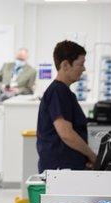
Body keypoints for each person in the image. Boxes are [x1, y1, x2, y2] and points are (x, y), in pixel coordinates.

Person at [37, 40, 95, 172]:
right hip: (61, 170)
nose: (84, 69)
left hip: (67, 168)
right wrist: (92, 156)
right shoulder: (58, 92)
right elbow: (66, 134)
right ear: (65, 65)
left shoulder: (65, 93)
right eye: (81, 64)